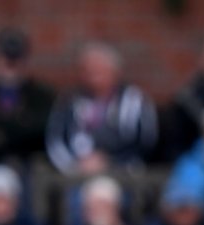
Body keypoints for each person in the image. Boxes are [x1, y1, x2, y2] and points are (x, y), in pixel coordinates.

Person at [46, 42, 158, 175]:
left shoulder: (135, 100)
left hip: (123, 173)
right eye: (87, 70)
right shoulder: (68, 101)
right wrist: (74, 166)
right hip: (76, 173)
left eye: (99, 69)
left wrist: (109, 161)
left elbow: (145, 141)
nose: (93, 75)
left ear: (115, 71)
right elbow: (55, 140)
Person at [0, 27, 55, 166]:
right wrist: (22, 127)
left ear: (27, 60)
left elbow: (43, 134)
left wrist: (0, 133)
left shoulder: (43, 96)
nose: (10, 64)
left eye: (16, 58)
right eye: (5, 57)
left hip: (32, 167)